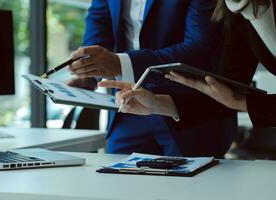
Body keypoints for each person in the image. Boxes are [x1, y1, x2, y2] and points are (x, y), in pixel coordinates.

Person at [68, 0, 237, 157]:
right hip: (127, 109)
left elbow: (201, 49)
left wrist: (121, 64)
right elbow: (100, 22)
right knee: (117, 186)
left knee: (194, 187)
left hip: (189, 111)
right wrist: (89, 74)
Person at [99, 0, 276, 129]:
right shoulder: (232, 9)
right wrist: (157, 104)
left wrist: (241, 102)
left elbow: (235, 99)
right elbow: (225, 93)